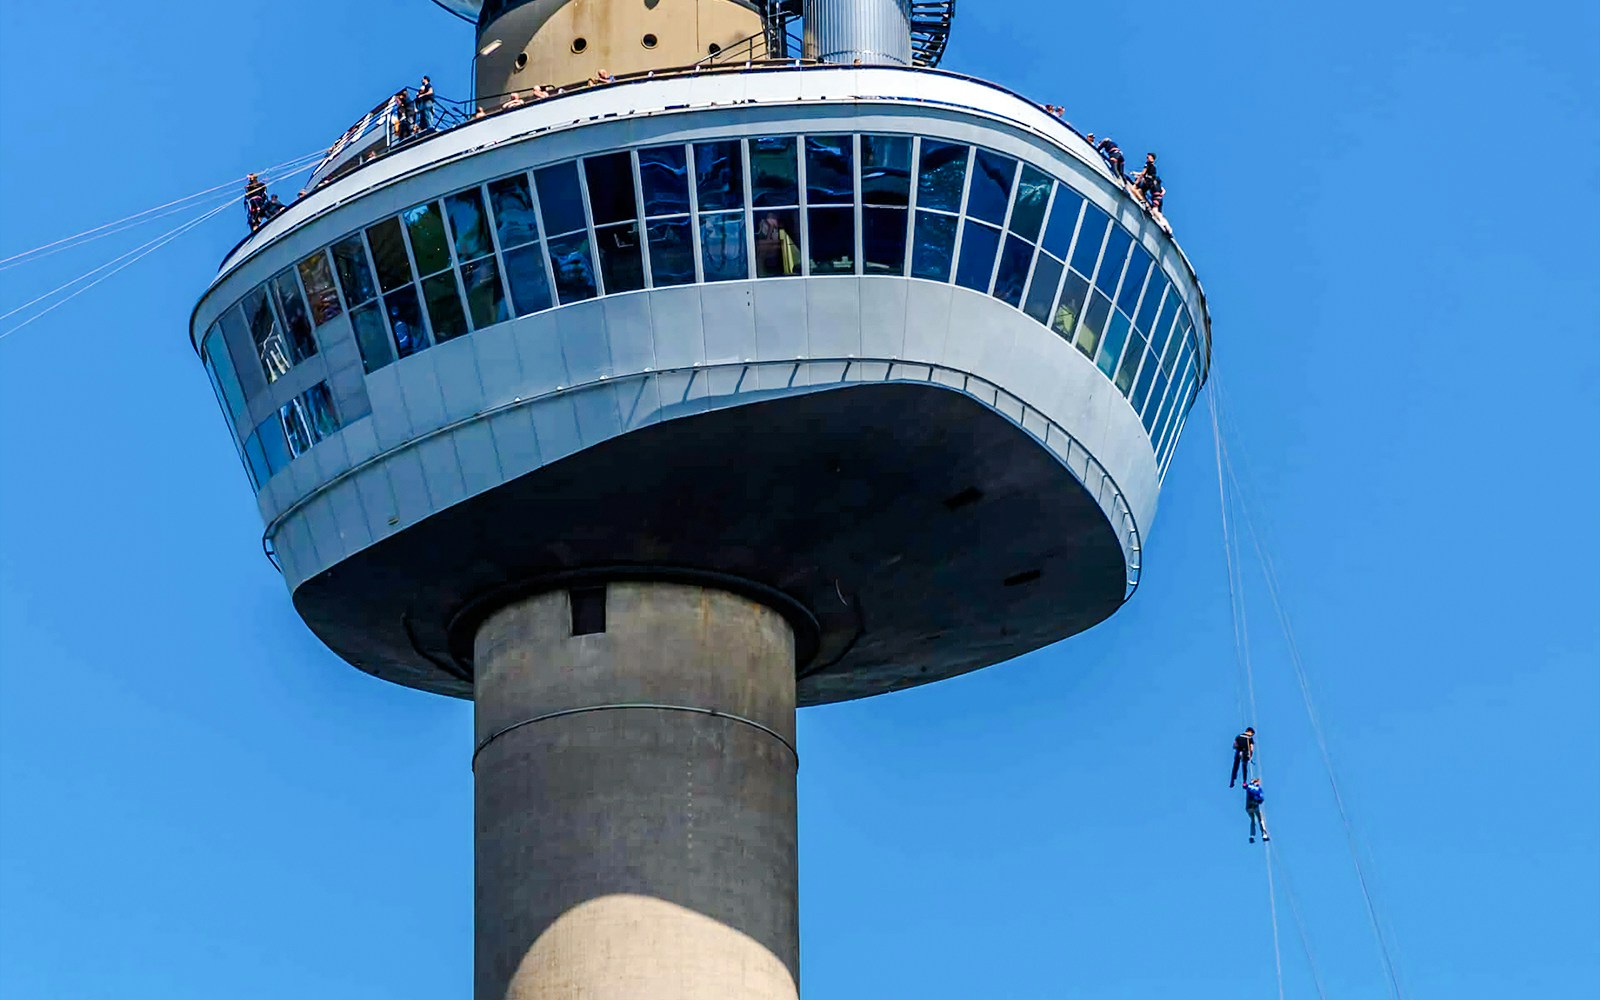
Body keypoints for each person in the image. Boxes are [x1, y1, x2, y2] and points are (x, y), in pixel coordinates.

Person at [1245, 778, 1270, 843]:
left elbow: (1246, 787)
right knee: (1260, 819)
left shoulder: (1249, 787)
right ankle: (1264, 835)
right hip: (1255, 806)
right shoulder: (1258, 789)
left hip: (1248, 807)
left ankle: (1252, 836)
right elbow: (1261, 799)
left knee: (1253, 820)